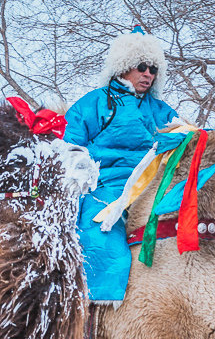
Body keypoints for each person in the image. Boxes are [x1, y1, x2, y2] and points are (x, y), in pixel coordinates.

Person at [63, 27, 178, 303]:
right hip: (105, 186)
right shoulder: (94, 103)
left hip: (153, 185)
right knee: (100, 230)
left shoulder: (161, 110)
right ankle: (95, 306)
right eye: (142, 66)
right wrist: (80, 172)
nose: (148, 74)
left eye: (153, 68)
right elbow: (69, 146)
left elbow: (183, 137)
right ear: (124, 66)